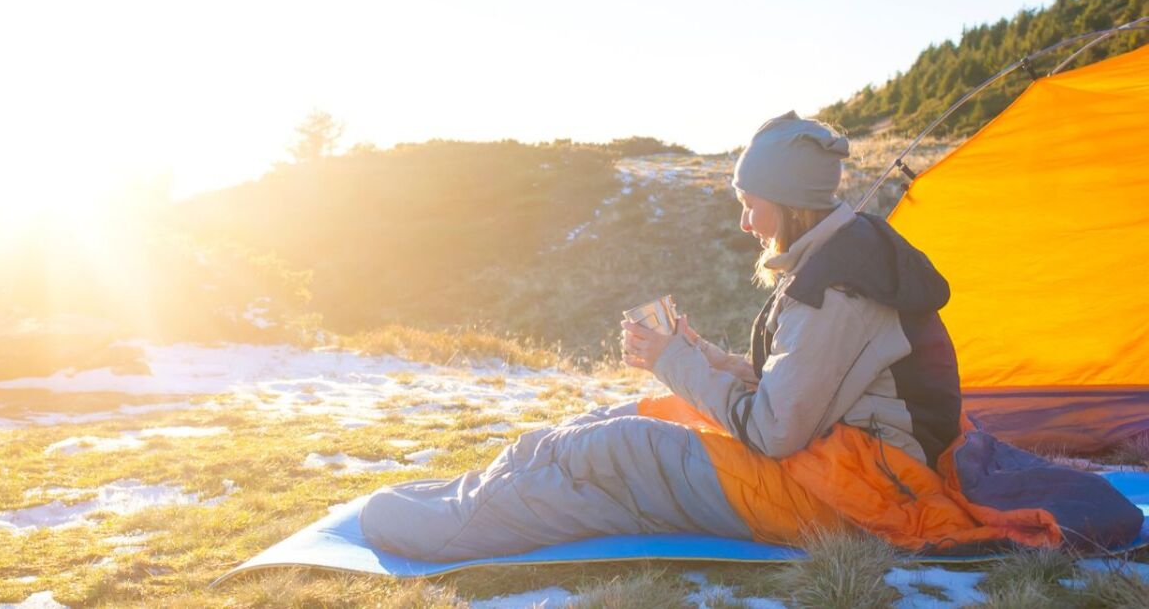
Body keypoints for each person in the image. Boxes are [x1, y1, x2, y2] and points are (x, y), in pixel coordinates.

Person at [358, 112, 1140, 562]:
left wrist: (680, 363)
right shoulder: (835, 254)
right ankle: (481, 487)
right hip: (842, 454)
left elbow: (771, 428)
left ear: (792, 204)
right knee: (611, 421)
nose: (743, 221)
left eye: (752, 203)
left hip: (858, 489)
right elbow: (802, 386)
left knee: (615, 453)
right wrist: (698, 361)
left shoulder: (836, 284)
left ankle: (455, 527)